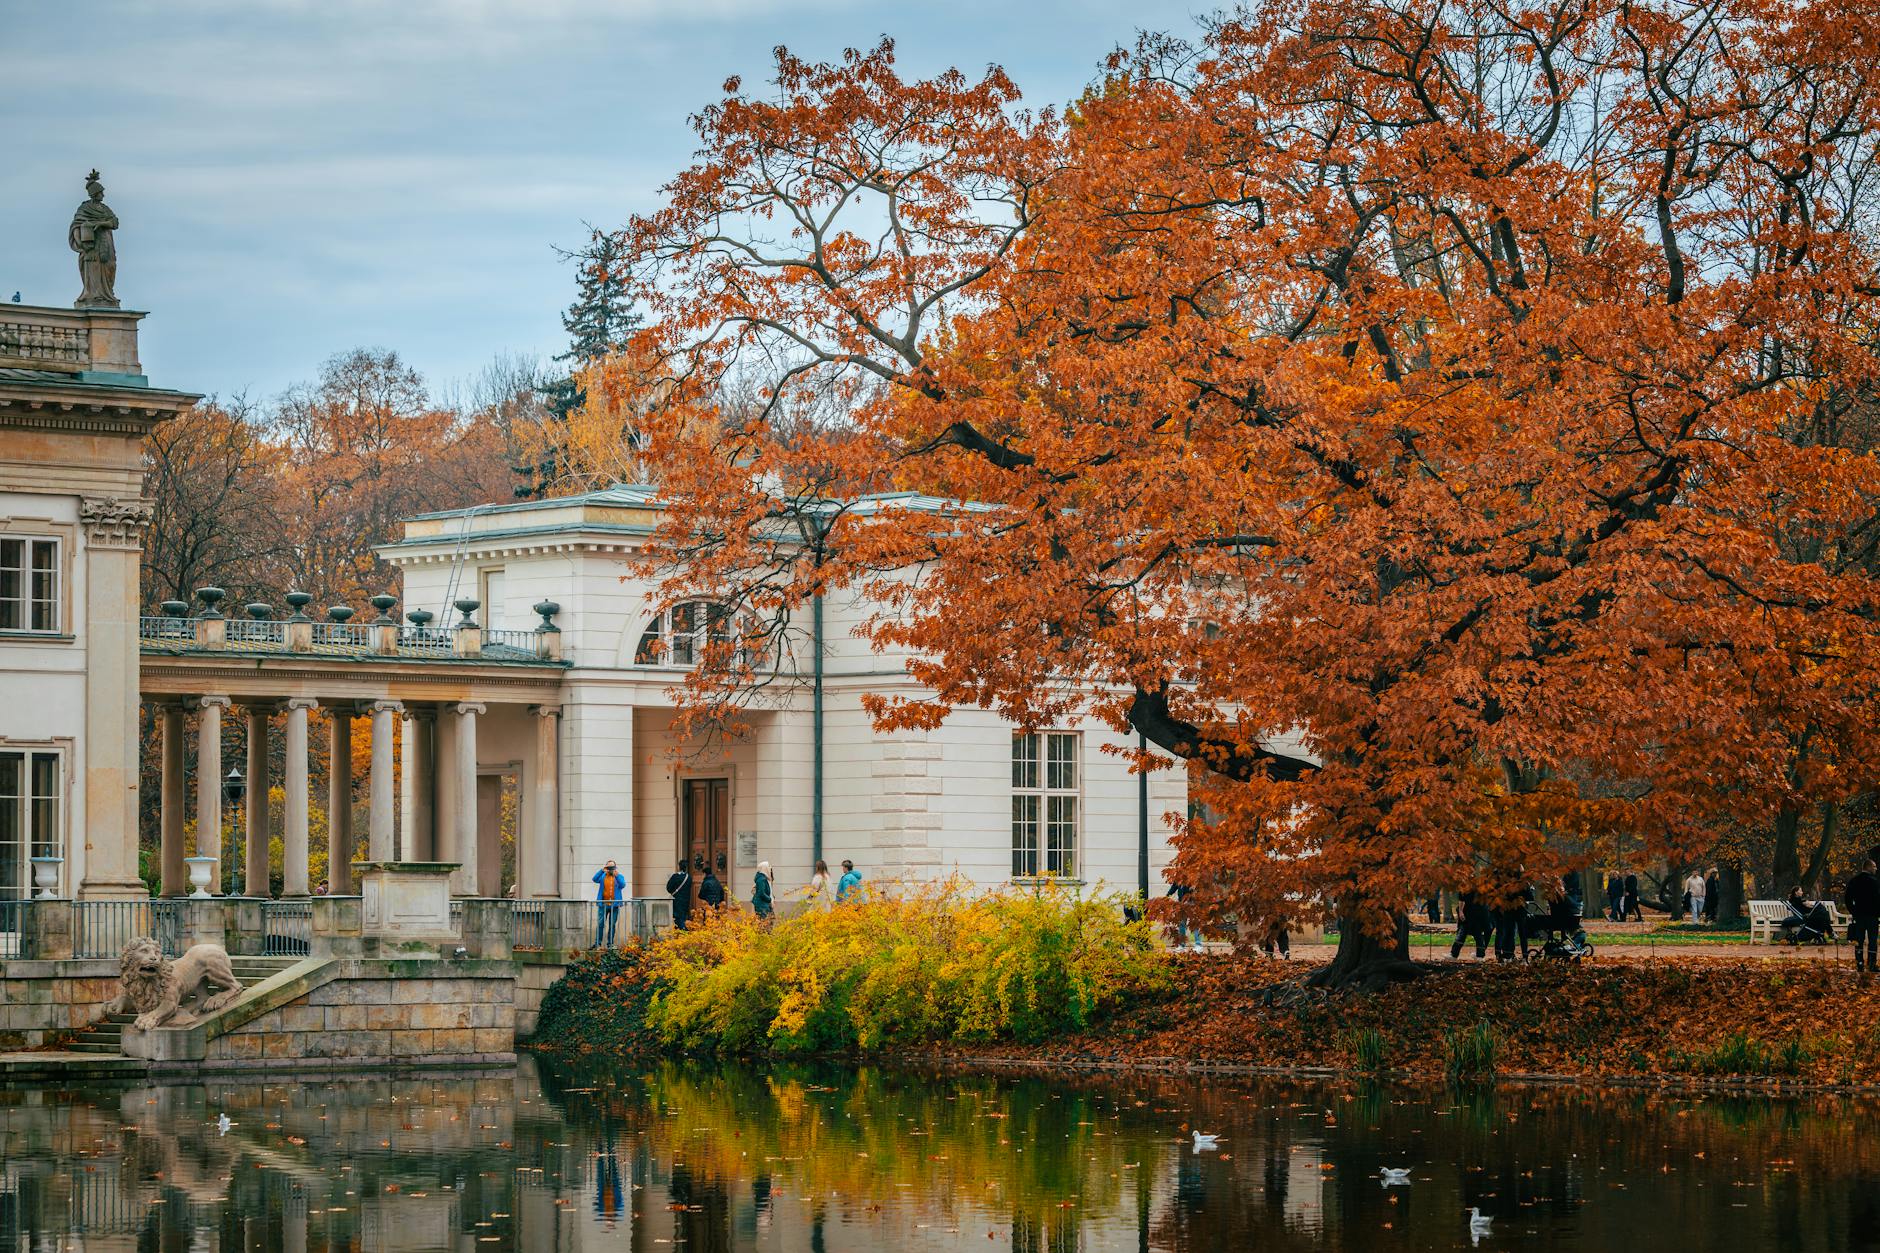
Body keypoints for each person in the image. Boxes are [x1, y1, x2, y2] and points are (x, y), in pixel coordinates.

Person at [1845, 858, 1880, 973]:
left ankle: (1859, 964)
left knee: (1858, 941)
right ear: (1868, 867)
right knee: (1873, 941)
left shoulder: (1854, 881)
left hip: (1859, 915)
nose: (1876, 868)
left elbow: (1848, 899)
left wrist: (1853, 911)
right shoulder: (1874, 882)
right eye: (1874, 866)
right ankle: (1871, 964)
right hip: (1872, 916)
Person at [592, 859, 628, 948]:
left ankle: (610, 943)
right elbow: (594, 879)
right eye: (609, 867)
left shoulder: (619, 876)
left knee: (612, 925)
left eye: (612, 867)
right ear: (606, 867)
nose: (611, 869)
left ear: (615, 868)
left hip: (614, 906)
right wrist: (601, 870)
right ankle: (598, 943)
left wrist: (617, 875)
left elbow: (623, 885)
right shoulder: (603, 876)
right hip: (603, 904)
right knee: (600, 924)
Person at [1451, 890, 1492, 960]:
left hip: (1479, 914)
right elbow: (1461, 899)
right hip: (1468, 914)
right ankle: (1454, 954)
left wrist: (1461, 912)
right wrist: (1461, 912)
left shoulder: (1482, 886)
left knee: (1477, 934)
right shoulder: (1465, 886)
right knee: (1463, 934)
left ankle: (1479, 955)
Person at [666, 858, 694, 931]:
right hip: (686, 901)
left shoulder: (675, 877)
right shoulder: (689, 878)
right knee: (683, 917)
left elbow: (668, 888)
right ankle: (681, 935)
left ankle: (684, 933)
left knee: (677, 918)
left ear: (679, 867)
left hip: (676, 900)